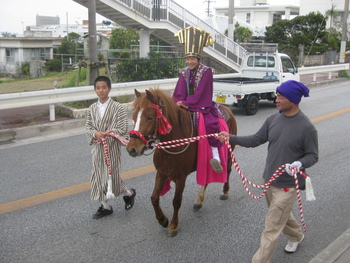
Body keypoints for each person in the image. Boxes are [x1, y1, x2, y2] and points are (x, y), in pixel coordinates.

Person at [217, 80, 319, 263]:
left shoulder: (306, 128)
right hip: (270, 180)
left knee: (271, 226)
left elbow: (313, 155)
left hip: (288, 187)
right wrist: (230, 137)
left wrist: (299, 163)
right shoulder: (273, 119)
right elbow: (256, 139)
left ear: (293, 100)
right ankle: (296, 236)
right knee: (281, 214)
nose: (276, 100)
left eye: (281, 96)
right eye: (277, 95)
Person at [172, 25, 224, 173]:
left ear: (198, 58)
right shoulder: (184, 72)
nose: (190, 62)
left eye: (192, 58)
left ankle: (215, 154)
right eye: (188, 59)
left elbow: (202, 92)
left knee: (210, 124)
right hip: (186, 104)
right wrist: (178, 102)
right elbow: (179, 90)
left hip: (201, 104)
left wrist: (188, 103)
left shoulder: (206, 71)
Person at [85, 76, 136, 219]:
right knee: (97, 176)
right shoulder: (91, 109)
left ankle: (128, 193)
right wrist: (95, 133)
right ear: (95, 89)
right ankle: (105, 206)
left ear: (109, 88)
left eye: (104, 87)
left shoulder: (117, 108)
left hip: (112, 147)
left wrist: (110, 133)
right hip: (97, 147)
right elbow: (88, 126)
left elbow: (122, 127)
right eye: (98, 88)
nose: (101, 90)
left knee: (111, 175)